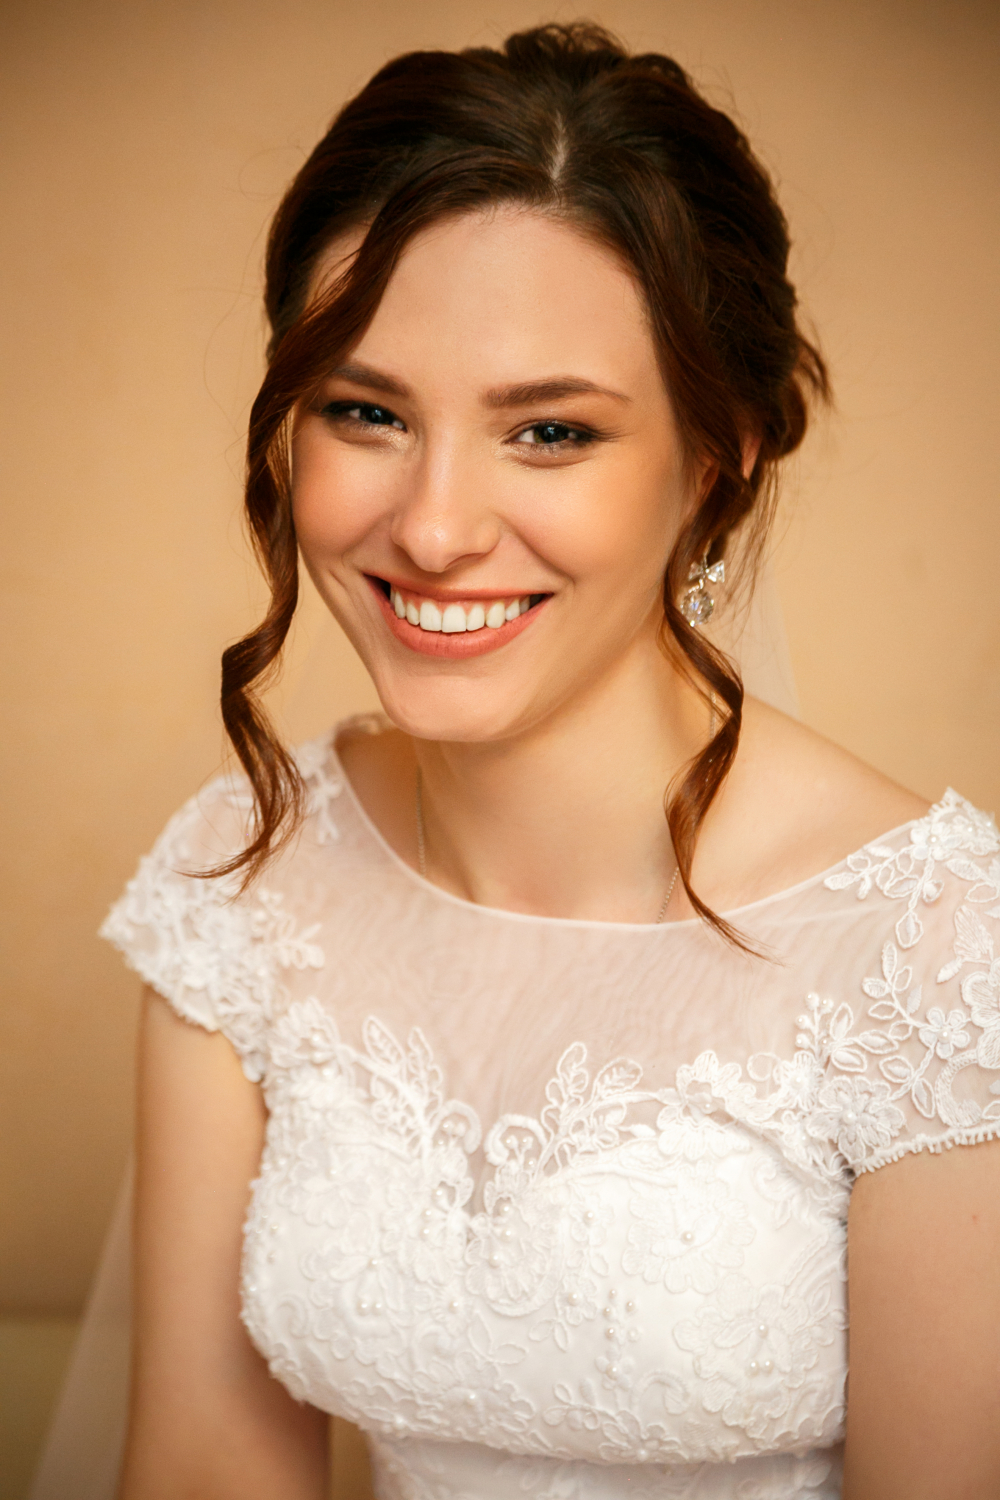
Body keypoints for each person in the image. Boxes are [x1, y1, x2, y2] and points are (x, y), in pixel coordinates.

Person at [98, 23, 1000, 1500]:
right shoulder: (244, 875)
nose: (434, 527)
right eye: (366, 412)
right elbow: (205, 1462)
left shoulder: (940, 956)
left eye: (552, 432)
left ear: (720, 452)